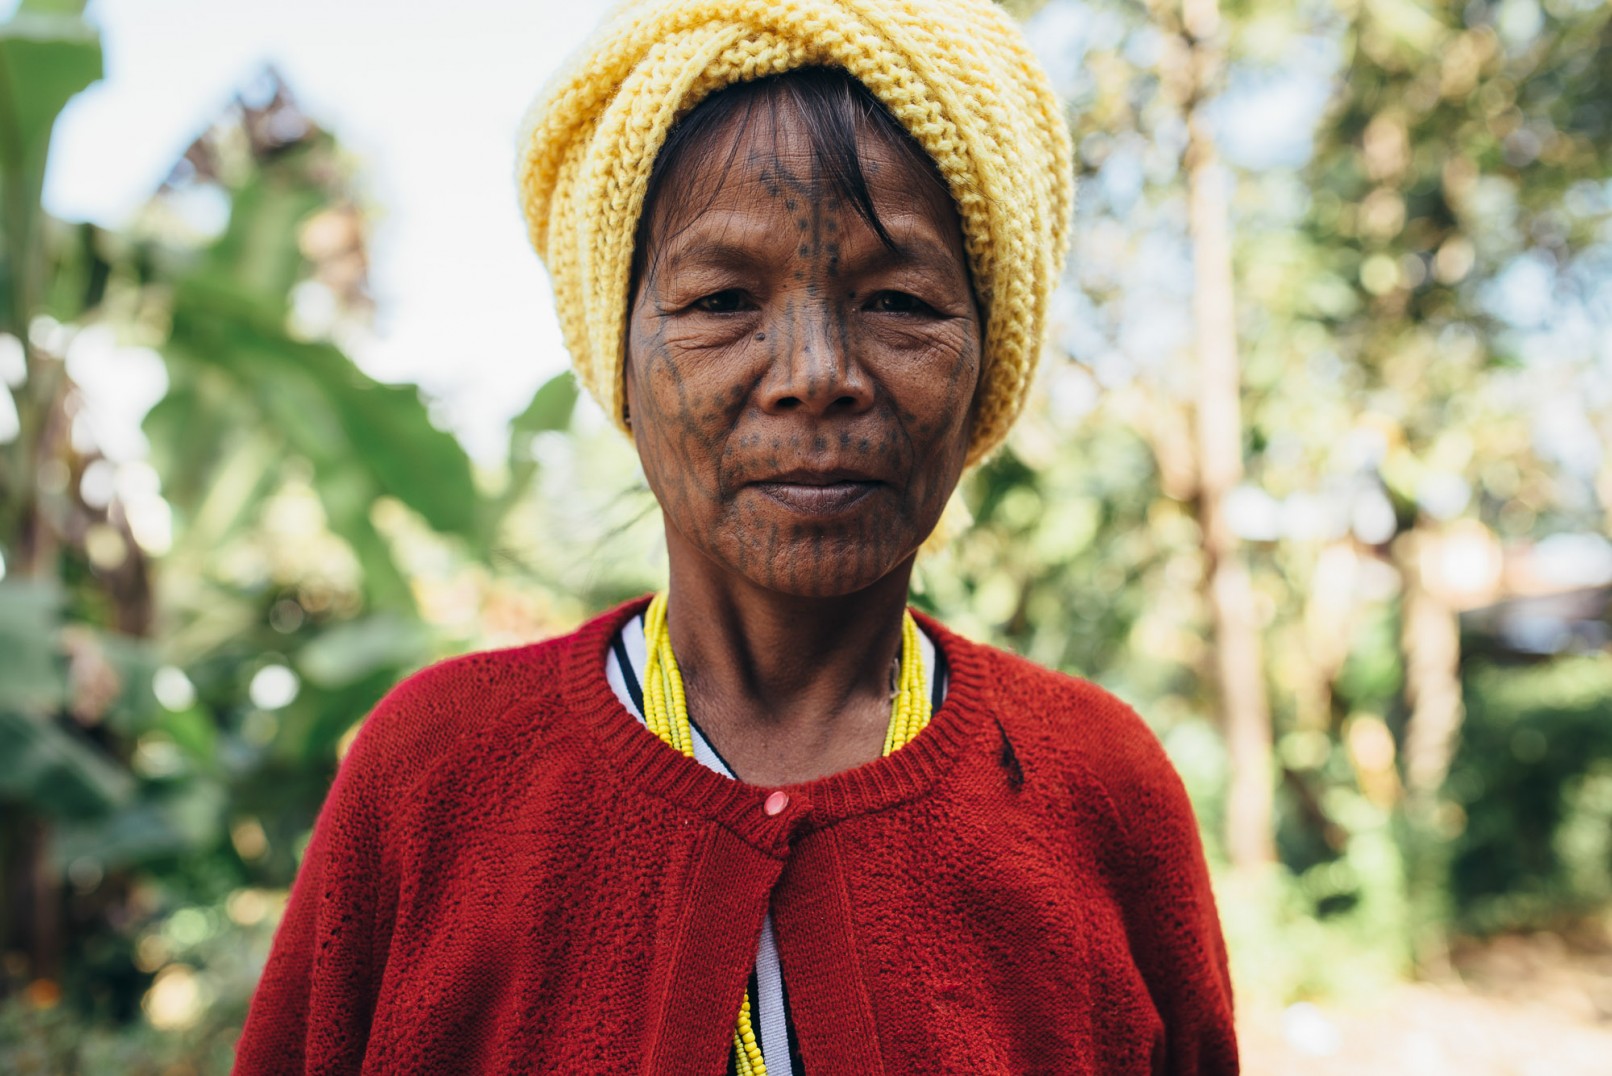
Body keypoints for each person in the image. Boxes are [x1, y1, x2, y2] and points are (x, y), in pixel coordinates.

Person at [235, 0, 1238, 1072]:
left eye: (899, 298)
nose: (815, 374)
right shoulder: (434, 773)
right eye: (719, 299)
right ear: (614, 354)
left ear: (990, 357)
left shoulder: (1096, 788)